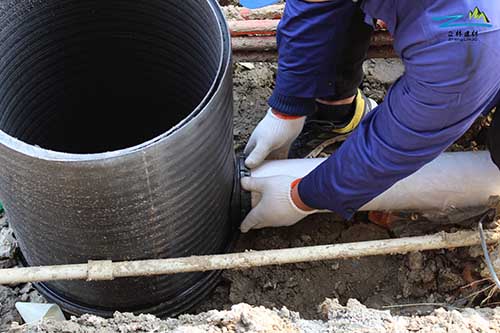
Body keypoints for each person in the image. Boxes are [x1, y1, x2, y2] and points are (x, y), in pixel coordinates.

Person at [240, 0, 500, 233]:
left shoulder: (462, 37)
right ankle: (340, 114)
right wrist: (288, 107)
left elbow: (396, 146)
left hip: (476, 41)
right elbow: (315, 7)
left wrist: (300, 198)